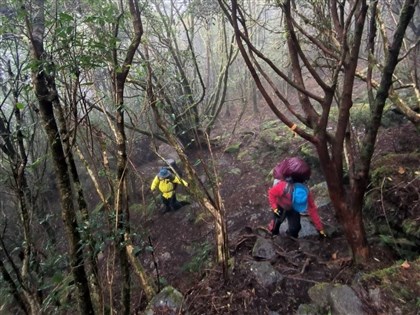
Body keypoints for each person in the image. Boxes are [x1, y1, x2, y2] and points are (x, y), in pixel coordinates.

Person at [268, 157, 325, 238]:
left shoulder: (305, 192)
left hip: (293, 209)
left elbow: (312, 209)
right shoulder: (283, 186)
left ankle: (290, 238)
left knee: (295, 228)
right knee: (275, 224)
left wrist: (320, 228)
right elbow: (271, 193)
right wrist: (274, 207)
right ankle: (273, 234)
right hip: (280, 205)